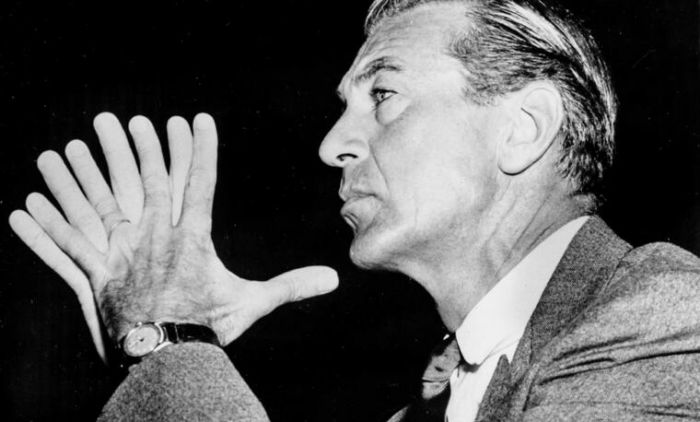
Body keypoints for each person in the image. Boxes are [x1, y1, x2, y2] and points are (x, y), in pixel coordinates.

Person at [9, 0, 700, 420]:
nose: (332, 144)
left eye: (384, 95)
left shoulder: (667, 316)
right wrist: (159, 355)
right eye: (345, 107)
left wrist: (170, 345)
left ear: (523, 128)